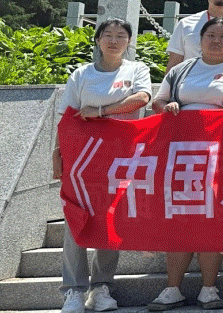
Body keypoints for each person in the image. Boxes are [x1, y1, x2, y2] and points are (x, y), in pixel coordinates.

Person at [149, 17, 223, 311]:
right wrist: (168, 106)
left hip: (221, 157)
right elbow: (157, 102)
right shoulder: (182, 70)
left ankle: (209, 289)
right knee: (180, 218)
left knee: (212, 217)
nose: (216, 41)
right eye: (210, 35)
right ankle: (172, 288)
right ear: (199, 40)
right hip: (181, 157)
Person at [54, 18, 151, 313]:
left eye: (120, 35)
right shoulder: (82, 74)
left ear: (128, 41)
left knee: (111, 218)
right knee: (76, 218)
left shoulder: (136, 69)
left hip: (120, 156)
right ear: (97, 40)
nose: (113, 40)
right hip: (82, 158)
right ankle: (73, 290)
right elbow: (66, 117)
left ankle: (101, 287)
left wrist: (100, 112)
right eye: (107, 35)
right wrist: (57, 152)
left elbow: (141, 98)